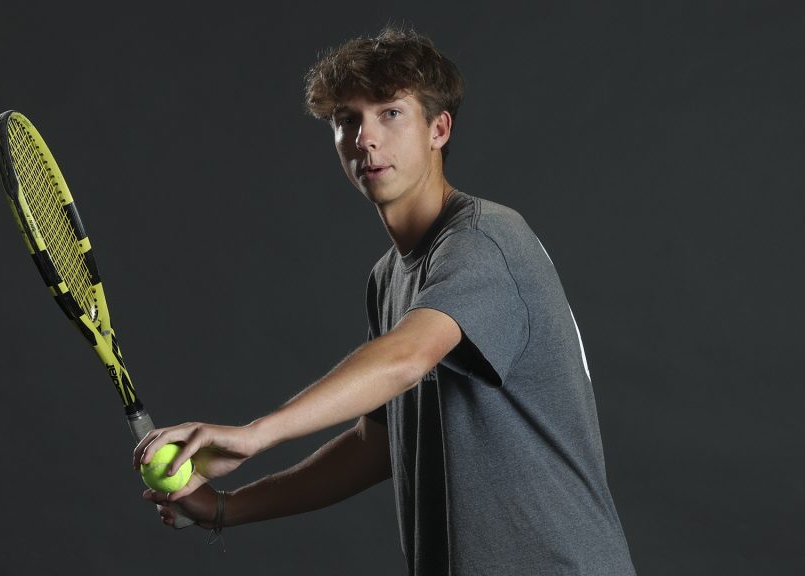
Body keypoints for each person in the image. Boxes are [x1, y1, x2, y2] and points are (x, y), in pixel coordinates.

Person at [134, 27, 636, 575]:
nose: (365, 139)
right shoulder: (389, 278)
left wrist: (254, 436)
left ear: (438, 129)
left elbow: (407, 357)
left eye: (390, 113)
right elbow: (376, 446)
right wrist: (226, 508)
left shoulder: (484, 241)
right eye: (347, 120)